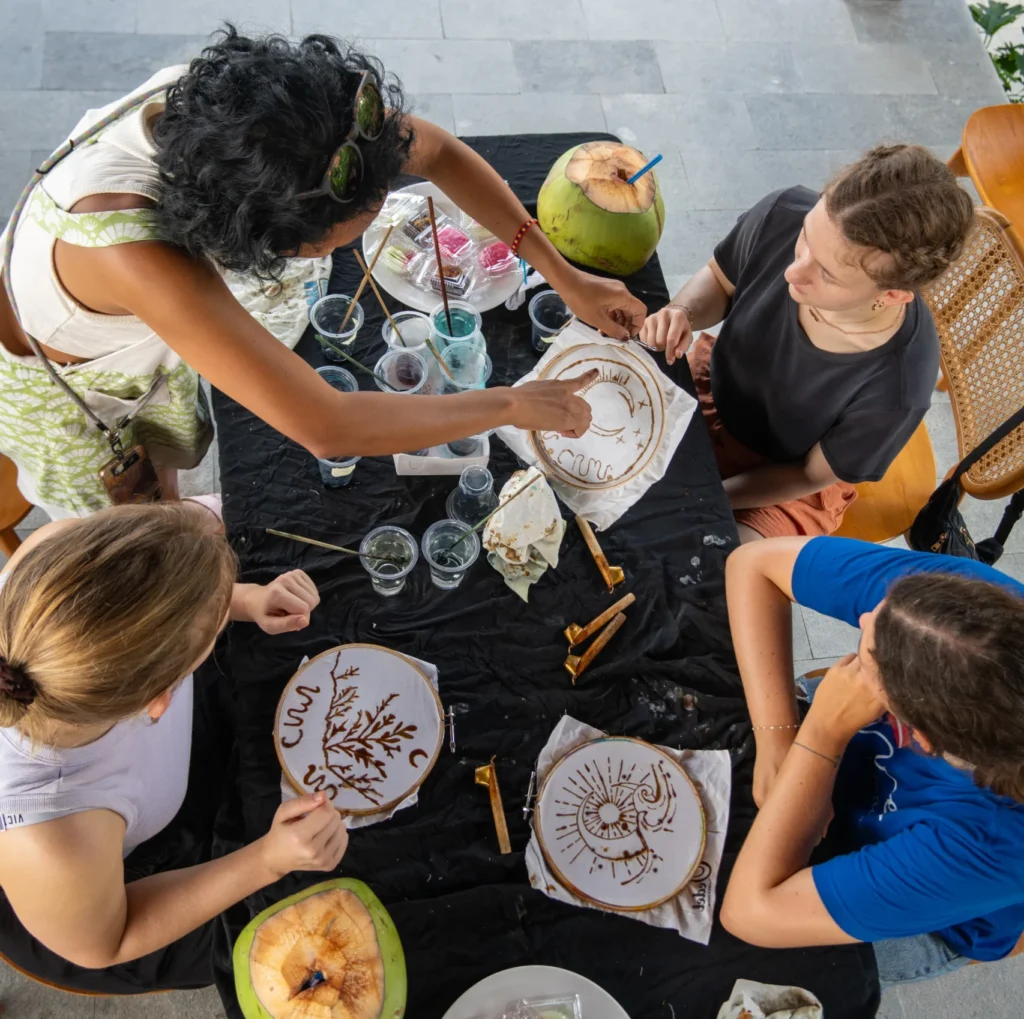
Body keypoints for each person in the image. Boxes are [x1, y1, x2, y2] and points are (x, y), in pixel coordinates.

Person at [0, 27, 647, 519]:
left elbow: (440, 152)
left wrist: (564, 276)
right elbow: (326, 423)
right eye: (331, 248)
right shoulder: (138, 255)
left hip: (139, 337)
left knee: (172, 476)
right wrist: (512, 403)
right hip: (68, 391)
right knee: (133, 532)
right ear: (258, 245)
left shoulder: (300, 132)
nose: (336, 260)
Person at [0, 503, 345, 992]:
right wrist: (266, 859)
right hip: (89, 902)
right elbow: (108, 942)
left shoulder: (52, 556)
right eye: (207, 630)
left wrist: (245, 601)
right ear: (159, 701)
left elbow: (143, 582)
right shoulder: (53, 839)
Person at [720, 535, 1024, 987]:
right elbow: (754, 563)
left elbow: (750, 913)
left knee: (747, 970)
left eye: (870, 660)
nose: (865, 617)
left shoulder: (991, 844)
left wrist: (823, 733)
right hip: (864, 780)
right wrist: (779, 740)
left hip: (939, 915)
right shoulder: (973, 620)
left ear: (917, 735)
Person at [638, 145, 974, 543]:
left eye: (828, 275)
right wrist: (683, 311)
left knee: (709, 559)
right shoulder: (782, 212)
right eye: (805, 237)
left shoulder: (898, 387)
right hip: (713, 386)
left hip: (785, 477)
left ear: (893, 295)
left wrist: (710, 498)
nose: (793, 270)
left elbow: (810, 475)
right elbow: (720, 278)